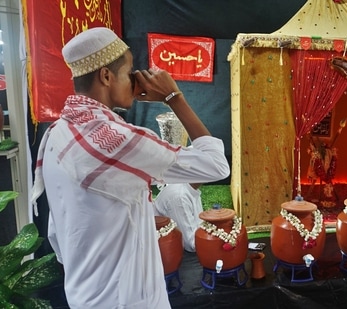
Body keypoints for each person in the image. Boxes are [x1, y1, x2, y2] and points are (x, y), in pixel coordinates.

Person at [30, 27, 230, 308]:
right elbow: (215, 165)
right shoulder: (114, 140)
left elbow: (57, 234)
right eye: (128, 72)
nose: (134, 81)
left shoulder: (57, 135)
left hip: (84, 295)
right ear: (106, 76)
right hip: (127, 299)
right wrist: (175, 97)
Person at [154, 183, 203, 252]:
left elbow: (199, 226)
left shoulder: (188, 189)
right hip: (165, 251)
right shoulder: (180, 196)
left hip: (178, 246)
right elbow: (191, 243)